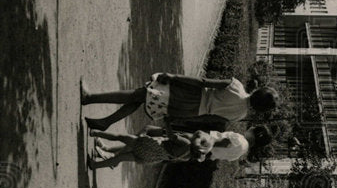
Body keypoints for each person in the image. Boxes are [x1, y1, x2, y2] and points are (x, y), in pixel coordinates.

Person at [81, 74, 279, 132]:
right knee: (142, 98)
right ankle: (105, 122)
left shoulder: (234, 86)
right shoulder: (240, 116)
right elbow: (209, 118)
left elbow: (203, 82)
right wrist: (181, 118)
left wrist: (175, 77)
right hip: (191, 110)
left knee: (140, 94)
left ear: (257, 90)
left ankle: (90, 98)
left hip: (188, 94)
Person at [87, 129, 209, 170]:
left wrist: (168, 125)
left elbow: (172, 136)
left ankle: (97, 133)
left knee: (122, 138)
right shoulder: (187, 157)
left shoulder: (187, 143)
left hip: (152, 146)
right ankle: (95, 165)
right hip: (153, 157)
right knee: (122, 158)